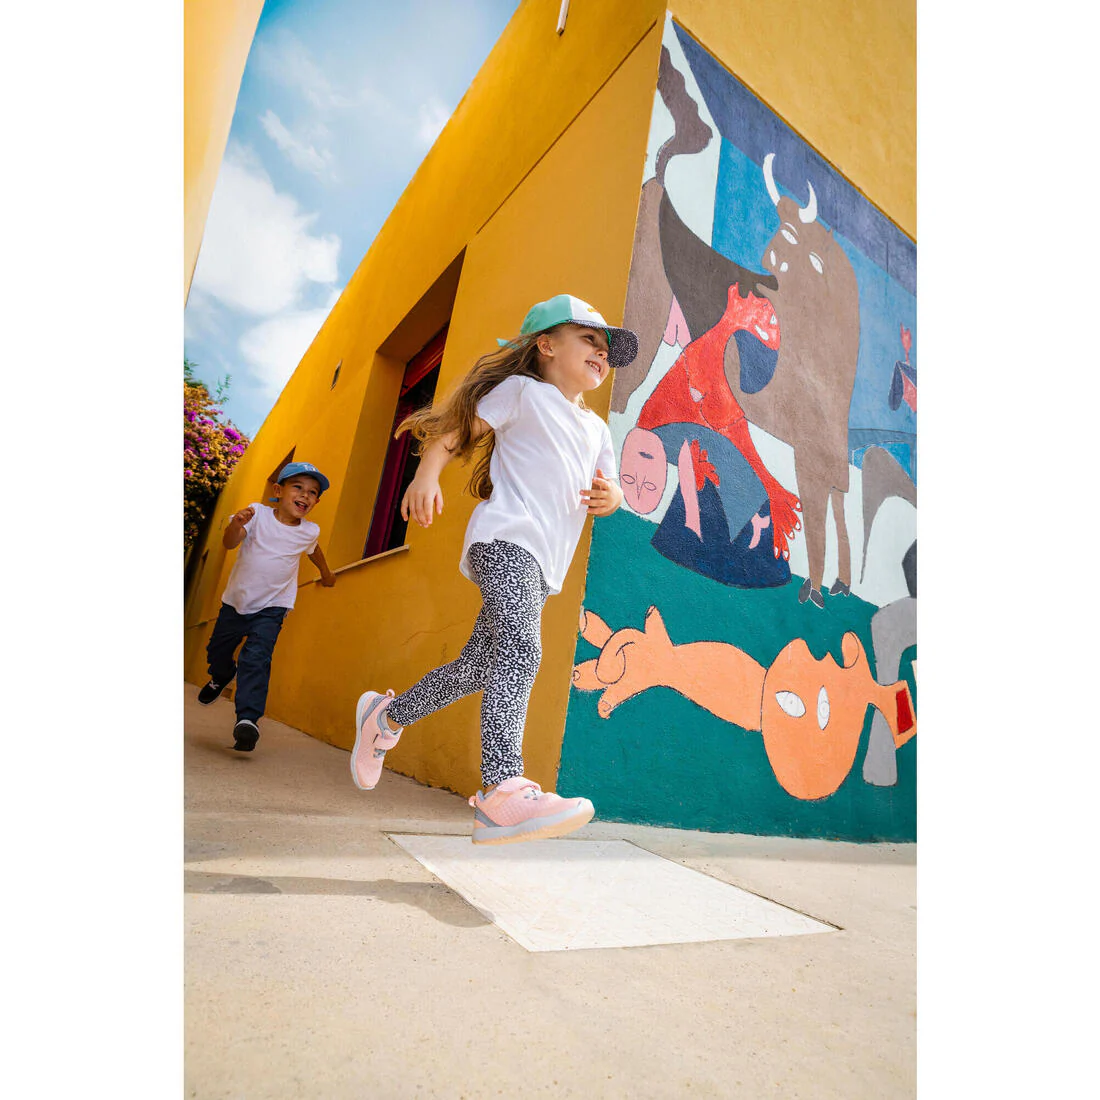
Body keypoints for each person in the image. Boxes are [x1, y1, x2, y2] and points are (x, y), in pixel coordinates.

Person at [350, 294, 638, 844]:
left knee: (482, 665)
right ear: (546, 345)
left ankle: (385, 718)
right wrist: (426, 473)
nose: (602, 354)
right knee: (523, 650)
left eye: (606, 348)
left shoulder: (597, 429)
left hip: (541, 563)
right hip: (505, 540)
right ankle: (502, 791)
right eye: (590, 341)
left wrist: (613, 495)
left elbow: (610, 484)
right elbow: (459, 430)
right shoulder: (521, 392)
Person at [197, 461, 336, 751]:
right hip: (236, 603)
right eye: (298, 487)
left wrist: (326, 573)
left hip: (273, 606)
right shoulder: (256, 514)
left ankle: (247, 720)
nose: (305, 495)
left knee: (257, 658)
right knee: (218, 652)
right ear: (278, 490)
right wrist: (236, 524)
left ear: (316, 501)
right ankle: (221, 675)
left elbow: (314, 551)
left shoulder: (309, 531)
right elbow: (229, 543)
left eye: (312, 492)